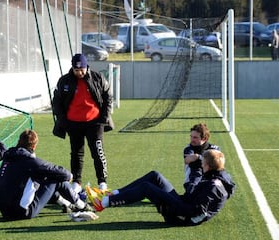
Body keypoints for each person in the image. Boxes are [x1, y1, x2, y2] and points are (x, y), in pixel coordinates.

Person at [86, 149, 235, 226]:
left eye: (203, 163)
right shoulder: (216, 174)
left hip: (183, 215)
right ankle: (111, 194)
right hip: (185, 203)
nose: (201, 165)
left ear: (208, 166)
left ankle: (103, 203)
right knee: (155, 175)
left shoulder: (213, 186)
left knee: (147, 188)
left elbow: (197, 212)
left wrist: (175, 211)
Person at [0, 129, 93, 220]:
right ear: (34, 146)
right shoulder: (29, 161)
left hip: (4, 211)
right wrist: (70, 176)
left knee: (42, 178)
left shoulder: (8, 158)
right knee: (56, 179)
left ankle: (67, 205)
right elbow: (63, 173)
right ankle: (82, 206)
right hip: (22, 212)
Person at [52, 53, 114, 193]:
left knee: (98, 152)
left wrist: (104, 118)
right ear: (72, 68)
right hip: (73, 124)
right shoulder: (64, 81)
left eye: (82, 69)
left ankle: (102, 182)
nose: (79, 72)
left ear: (87, 67)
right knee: (76, 154)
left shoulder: (97, 78)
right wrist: (63, 121)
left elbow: (108, 97)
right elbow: (56, 102)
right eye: (76, 70)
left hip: (95, 122)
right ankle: (77, 183)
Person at [183, 123, 219, 195]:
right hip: (190, 182)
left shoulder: (214, 148)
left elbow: (216, 164)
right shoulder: (188, 148)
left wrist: (197, 157)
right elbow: (188, 160)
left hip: (210, 182)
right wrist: (206, 160)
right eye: (191, 136)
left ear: (204, 139)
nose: (192, 140)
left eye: (195, 137)